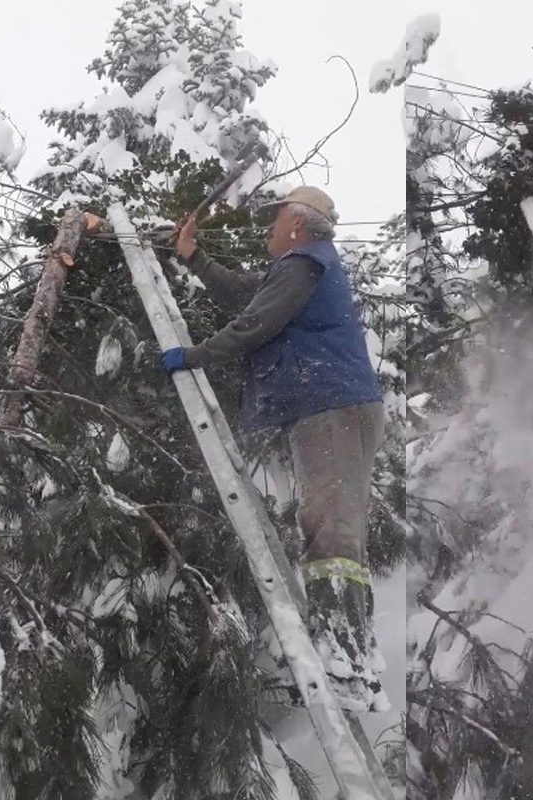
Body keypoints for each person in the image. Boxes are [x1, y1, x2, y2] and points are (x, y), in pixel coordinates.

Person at [163, 186, 387, 712]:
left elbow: (256, 323)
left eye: (275, 219)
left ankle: (347, 663)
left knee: (333, 528)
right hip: (326, 408)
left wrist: (194, 355)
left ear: (299, 226)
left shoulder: (305, 263)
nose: (267, 229)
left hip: (333, 407)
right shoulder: (295, 270)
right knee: (327, 523)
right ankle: (346, 657)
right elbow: (247, 295)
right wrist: (194, 256)